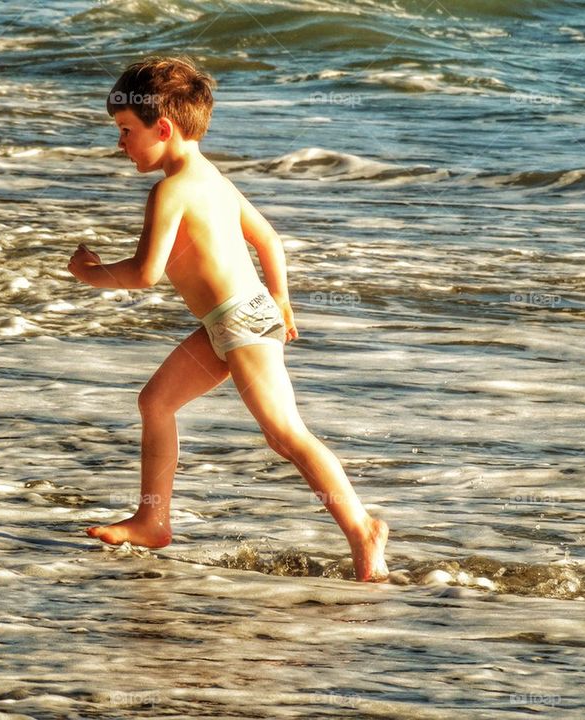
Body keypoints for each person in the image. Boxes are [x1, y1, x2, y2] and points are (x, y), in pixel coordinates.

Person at [68, 57, 388, 582]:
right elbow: (269, 238)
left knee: (286, 434)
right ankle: (153, 518)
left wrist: (91, 273)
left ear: (163, 128)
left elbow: (146, 273)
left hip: (240, 323)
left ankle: (362, 528)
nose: (120, 143)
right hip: (231, 322)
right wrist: (281, 298)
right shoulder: (210, 176)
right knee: (156, 401)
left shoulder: (170, 191)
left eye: (127, 131)